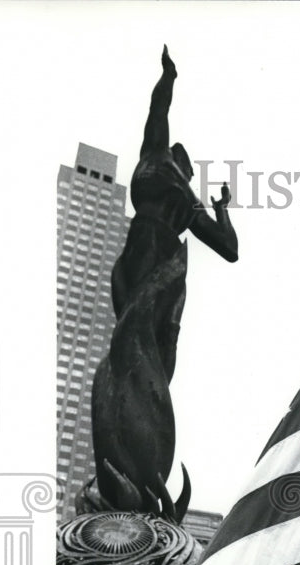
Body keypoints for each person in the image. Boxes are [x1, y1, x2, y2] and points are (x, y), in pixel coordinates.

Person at [88, 45, 238, 518]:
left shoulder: (186, 199)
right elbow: (159, 109)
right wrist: (168, 76)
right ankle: (127, 462)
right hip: (144, 253)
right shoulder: (157, 156)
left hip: (165, 262)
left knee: (158, 351)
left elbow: (230, 249)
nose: (188, 170)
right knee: (130, 344)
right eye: (187, 165)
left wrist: (219, 210)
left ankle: (143, 455)